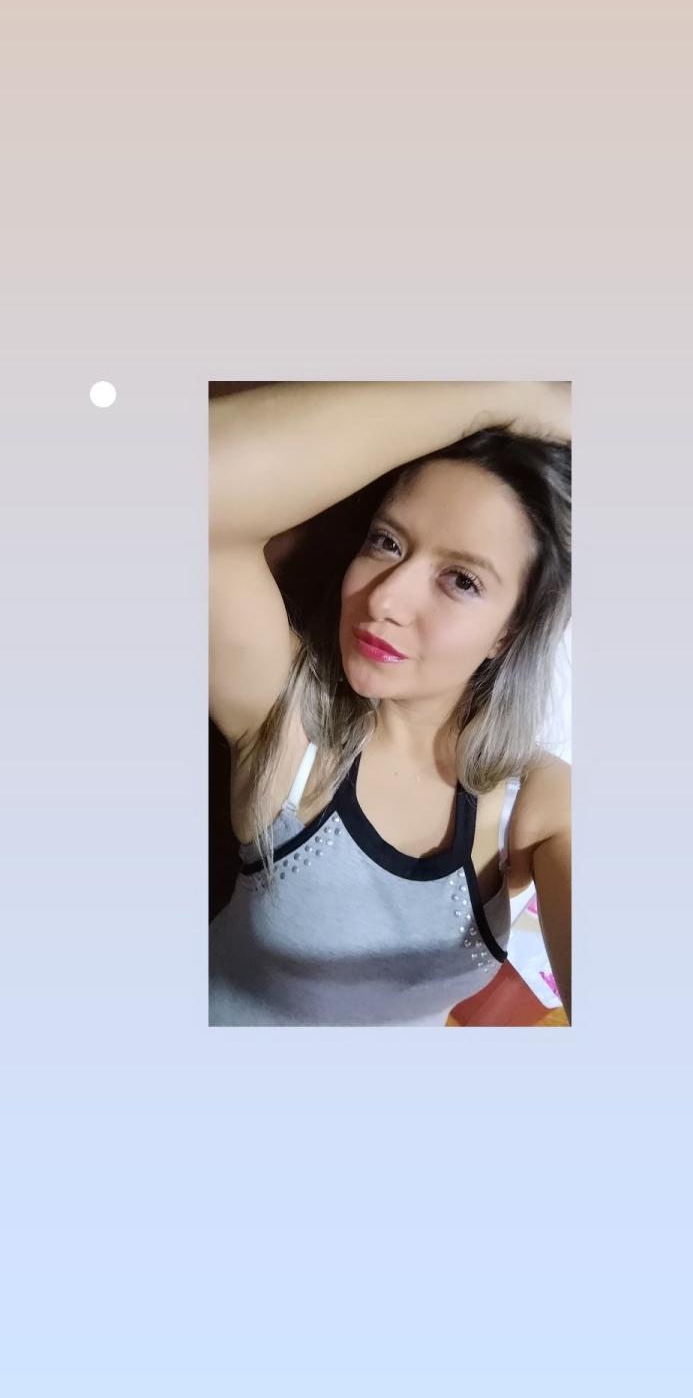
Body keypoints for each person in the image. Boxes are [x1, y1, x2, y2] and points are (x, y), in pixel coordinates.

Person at [208, 381, 572, 1025]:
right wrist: (514, 392)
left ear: (509, 632)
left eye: (461, 580)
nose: (384, 599)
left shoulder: (537, 801)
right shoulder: (291, 723)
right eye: (387, 542)